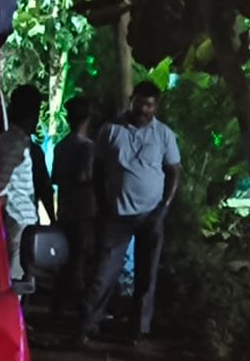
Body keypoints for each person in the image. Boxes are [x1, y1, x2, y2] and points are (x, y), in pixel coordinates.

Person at [75, 81, 180, 344]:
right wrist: (102, 203)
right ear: (132, 100)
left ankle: (138, 330)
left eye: (150, 106)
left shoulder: (164, 135)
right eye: (140, 103)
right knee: (103, 272)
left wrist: (164, 206)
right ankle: (87, 325)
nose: (144, 110)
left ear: (156, 107)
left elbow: (173, 171)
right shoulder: (111, 130)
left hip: (151, 216)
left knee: (147, 275)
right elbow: (98, 169)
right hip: (116, 215)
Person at [50, 97, 98, 315]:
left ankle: (58, 304)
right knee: (79, 257)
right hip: (83, 209)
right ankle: (79, 307)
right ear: (88, 119)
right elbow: (84, 175)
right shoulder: (87, 147)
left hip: (65, 208)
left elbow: (55, 178)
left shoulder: (61, 146)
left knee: (65, 258)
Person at [0, 86, 48, 279]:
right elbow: (0, 186)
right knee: (17, 278)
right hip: (18, 220)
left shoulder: (10, 139)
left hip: (17, 220)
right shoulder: (16, 144)